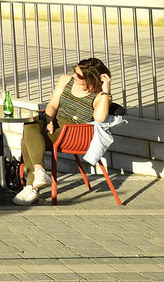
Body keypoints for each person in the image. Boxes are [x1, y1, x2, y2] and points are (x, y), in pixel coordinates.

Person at [16, 57, 113, 205]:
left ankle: (31, 186)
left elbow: (100, 118)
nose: (74, 76)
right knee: (30, 124)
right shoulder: (65, 80)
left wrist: (106, 91)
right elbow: (53, 104)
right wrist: (48, 121)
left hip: (73, 132)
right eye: (74, 71)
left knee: (27, 140)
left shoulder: (100, 95)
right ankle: (39, 172)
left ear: (90, 78)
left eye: (79, 76)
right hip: (53, 123)